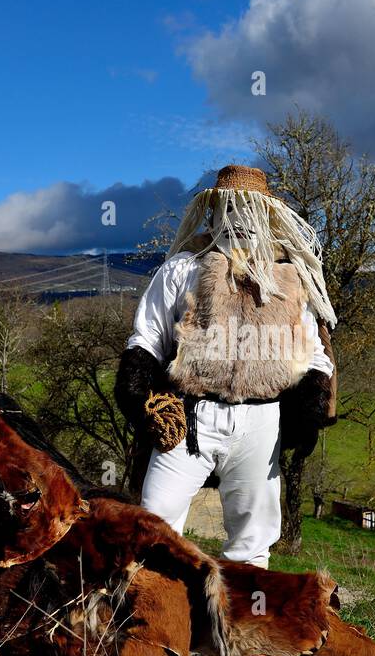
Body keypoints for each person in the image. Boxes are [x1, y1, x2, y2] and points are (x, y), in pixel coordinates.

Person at [115, 164, 337, 569]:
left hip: (261, 420)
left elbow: (313, 350)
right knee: (154, 524)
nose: (238, 221)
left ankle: (239, 625)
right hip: (188, 417)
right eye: (228, 209)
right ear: (214, 212)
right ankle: (151, 619)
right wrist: (137, 390)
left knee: (253, 538)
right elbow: (147, 336)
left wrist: (312, 401)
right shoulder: (183, 270)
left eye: (247, 210)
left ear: (266, 216)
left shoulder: (290, 280)